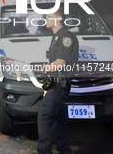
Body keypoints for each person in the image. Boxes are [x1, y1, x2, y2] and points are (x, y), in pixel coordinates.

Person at [37, 8, 79, 154]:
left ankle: (44, 151)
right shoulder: (56, 37)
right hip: (56, 84)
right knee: (59, 119)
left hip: (60, 85)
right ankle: (64, 150)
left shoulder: (66, 37)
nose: (46, 19)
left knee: (45, 118)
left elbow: (60, 62)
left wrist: (46, 68)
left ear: (58, 19)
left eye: (49, 16)